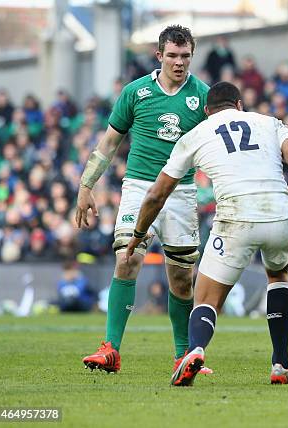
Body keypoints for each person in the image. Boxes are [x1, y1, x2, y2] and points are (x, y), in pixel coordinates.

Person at [126, 82, 288, 386]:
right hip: (280, 215)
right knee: (279, 276)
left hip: (236, 219)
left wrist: (138, 233)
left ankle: (196, 349)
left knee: (206, 299)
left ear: (206, 111)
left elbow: (156, 194)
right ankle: (280, 362)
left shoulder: (196, 135)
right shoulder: (269, 123)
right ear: (239, 105)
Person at [76, 25, 211, 375]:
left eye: (185, 56)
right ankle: (111, 349)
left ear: (191, 56)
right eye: (173, 55)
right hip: (138, 186)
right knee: (127, 258)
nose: (179, 62)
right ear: (159, 55)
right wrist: (85, 186)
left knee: (182, 278)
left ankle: (183, 354)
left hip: (180, 191)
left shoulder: (203, 96)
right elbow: (109, 143)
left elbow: (216, 149)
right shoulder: (135, 92)